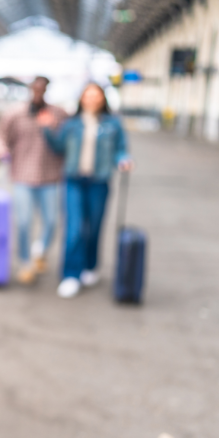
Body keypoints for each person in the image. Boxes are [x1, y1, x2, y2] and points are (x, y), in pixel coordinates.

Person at [38, 82, 133, 299]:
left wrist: (124, 160)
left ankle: (90, 265)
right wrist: (46, 128)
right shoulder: (71, 124)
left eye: (96, 96)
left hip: (99, 182)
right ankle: (71, 274)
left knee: (95, 227)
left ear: (103, 99)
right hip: (73, 181)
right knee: (74, 228)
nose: (92, 99)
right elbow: (58, 147)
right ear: (81, 99)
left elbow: (121, 149)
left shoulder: (113, 124)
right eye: (87, 96)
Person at [0, 76, 67, 284]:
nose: (38, 92)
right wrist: (1, 151)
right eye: (35, 88)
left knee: (51, 221)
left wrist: (52, 128)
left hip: (50, 177)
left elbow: (68, 139)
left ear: (47, 90)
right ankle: (25, 262)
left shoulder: (58, 114)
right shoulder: (14, 114)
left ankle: (39, 251)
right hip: (22, 175)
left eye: (43, 88)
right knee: (23, 222)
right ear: (30, 89)